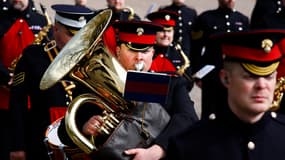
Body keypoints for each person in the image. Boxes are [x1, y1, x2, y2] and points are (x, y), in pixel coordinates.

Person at [57, 20, 199, 160]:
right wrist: (84, 127)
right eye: (132, 49)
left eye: (145, 51)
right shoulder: (92, 86)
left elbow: (188, 119)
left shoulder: (172, 83)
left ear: (153, 53)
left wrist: (157, 151)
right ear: (118, 51)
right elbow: (63, 133)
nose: (139, 58)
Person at [167, 29, 285, 160]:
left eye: (269, 77)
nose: (262, 85)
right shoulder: (189, 145)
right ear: (226, 79)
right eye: (250, 77)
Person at [9, 4, 94, 160]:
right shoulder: (33, 56)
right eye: (71, 34)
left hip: (81, 139)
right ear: (55, 30)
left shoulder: (92, 59)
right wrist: (17, 146)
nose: (76, 41)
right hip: (40, 141)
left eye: (80, 35)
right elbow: (17, 103)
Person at [0, 0, 48, 159]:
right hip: (4, 97)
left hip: (34, 99)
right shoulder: (1, 19)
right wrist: (5, 76)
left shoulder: (41, 20)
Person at [191, 0, 249, 119]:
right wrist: (198, 73)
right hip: (212, 75)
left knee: (233, 113)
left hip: (235, 75)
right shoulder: (206, 18)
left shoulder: (243, 20)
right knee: (210, 114)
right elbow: (196, 48)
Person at [147, 9, 193, 90]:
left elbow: (189, 84)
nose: (166, 35)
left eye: (169, 31)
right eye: (162, 31)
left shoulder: (178, 53)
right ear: (154, 31)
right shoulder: (145, 53)